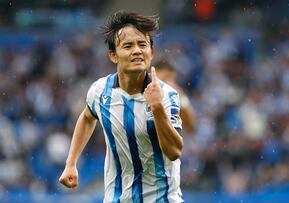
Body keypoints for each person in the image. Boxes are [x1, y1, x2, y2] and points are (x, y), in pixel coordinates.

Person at [59, 11, 184, 203]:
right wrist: (71, 163)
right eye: (128, 46)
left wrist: (157, 108)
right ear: (113, 55)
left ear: (151, 52)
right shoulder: (100, 91)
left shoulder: (166, 95)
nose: (136, 50)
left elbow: (174, 151)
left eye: (142, 44)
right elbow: (87, 117)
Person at [153, 58, 196, 134]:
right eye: (166, 77)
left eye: (172, 79)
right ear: (154, 73)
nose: (169, 84)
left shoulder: (174, 96)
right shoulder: (140, 91)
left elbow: (190, 126)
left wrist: (181, 98)